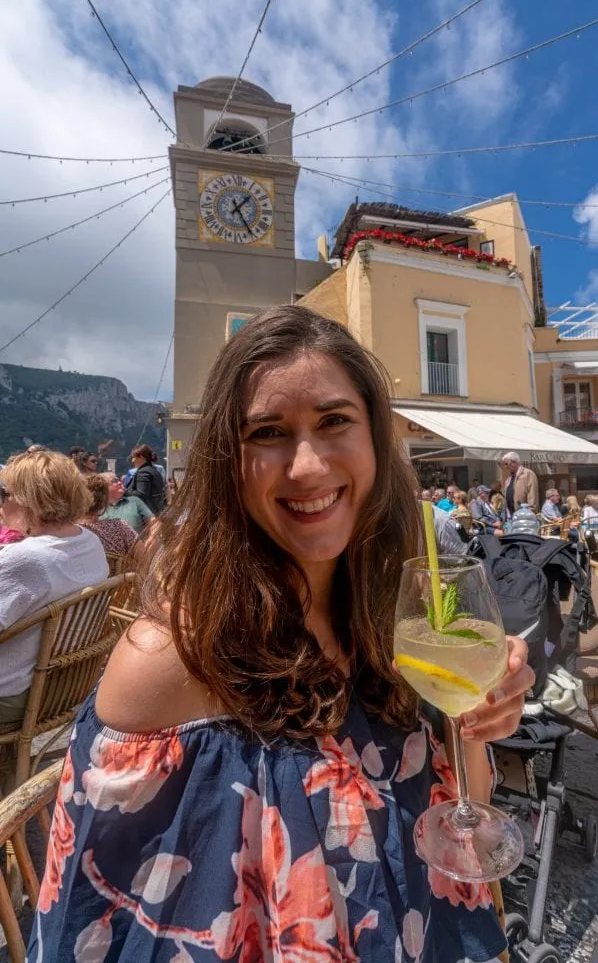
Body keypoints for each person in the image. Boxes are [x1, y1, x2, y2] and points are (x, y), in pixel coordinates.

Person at [29, 306, 533, 962]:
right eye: (267, 432)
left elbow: (457, 822)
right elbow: (92, 930)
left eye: (333, 422)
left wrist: (475, 719)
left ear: (375, 437)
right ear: (226, 462)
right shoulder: (173, 666)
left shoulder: (392, 620)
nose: (306, 467)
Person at [0, 450, 107, 725]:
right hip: (63, 687)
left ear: (28, 500)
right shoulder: (89, 542)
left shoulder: (25, 559)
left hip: (14, 695)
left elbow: (26, 567)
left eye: (4, 493)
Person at [80, 474, 142, 563]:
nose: (120, 483)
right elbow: (145, 560)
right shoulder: (120, 527)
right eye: (115, 481)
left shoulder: (68, 534)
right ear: (104, 502)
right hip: (120, 576)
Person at [125, 444, 166, 515]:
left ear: (141, 457)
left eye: (133, 458)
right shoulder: (153, 470)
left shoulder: (143, 472)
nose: (132, 461)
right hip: (156, 511)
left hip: (147, 515)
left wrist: (124, 492)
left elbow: (141, 494)